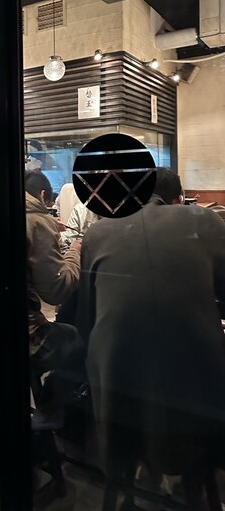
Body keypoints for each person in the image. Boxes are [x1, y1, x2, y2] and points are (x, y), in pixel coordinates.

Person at [78, 167, 225, 494]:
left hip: (118, 410)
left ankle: (136, 465)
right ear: (179, 200)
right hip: (197, 408)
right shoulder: (205, 220)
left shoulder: (98, 231)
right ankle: (194, 473)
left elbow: (86, 317)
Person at [0, 170, 84, 428]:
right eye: (49, 205)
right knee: (75, 339)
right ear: (42, 196)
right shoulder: (36, 219)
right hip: (1, 352)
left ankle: (37, 415)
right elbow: (57, 290)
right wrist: (75, 251)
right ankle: (52, 414)